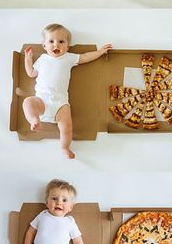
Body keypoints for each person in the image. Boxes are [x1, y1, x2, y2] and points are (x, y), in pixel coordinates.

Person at [22, 24, 112, 159]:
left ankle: (65, 147)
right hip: (41, 100)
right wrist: (27, 60)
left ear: (67, 46)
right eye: (51, 41)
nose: (56, 45)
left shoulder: (68, 58)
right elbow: (31, 73)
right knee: (28, 102)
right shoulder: (42, 59)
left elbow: (85, 57)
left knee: (67, 127)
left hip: (60, 103)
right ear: (44, 46)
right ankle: (34, 120)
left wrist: (99, 52)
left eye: (61, 42)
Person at [8, 179, 85, 244]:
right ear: (47, 202)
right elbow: (30, 233)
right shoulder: (42, 216)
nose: (59, 203)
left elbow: (78, 241)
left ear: (70, 207)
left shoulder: (69, 222)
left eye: (64, 200)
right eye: (54, 198)